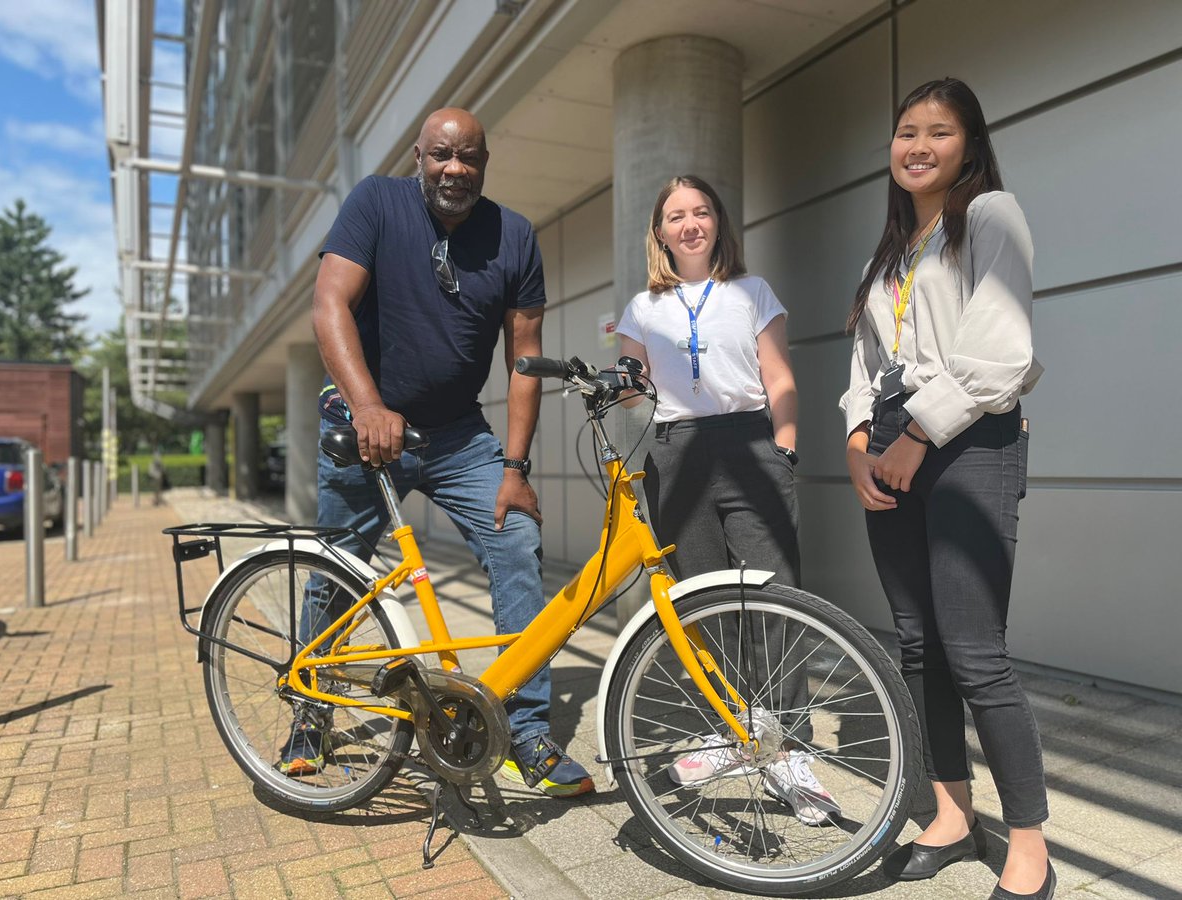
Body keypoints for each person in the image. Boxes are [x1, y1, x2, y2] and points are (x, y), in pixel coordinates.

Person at [295, 107, 592, 798]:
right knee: (336, 569)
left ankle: (524, 730)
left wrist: (515, 468)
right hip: (368, 426)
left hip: (459, 436)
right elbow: (328, 305)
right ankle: (310, 714)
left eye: (469, 158)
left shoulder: (514, 235)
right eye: (440, 156)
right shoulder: (375, 202)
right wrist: (369, 405)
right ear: (419, 156)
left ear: (485, 163)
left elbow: (526, 358)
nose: (454, 169)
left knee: (516, 539)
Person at [840, 78, 1051, 899]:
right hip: (893, 443)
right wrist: (860, 438)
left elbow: (1000, 353)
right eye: (904, 132)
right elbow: (861, 366)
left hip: (966, 441)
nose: (917, 145)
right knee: (919, 645)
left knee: (975, 654)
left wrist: (918, 435)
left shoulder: (991, 215)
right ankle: (952, 815)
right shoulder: (888, 253)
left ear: (969, 143)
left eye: (937, 131)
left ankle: (1028, 845)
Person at [615, 174, 840, 827]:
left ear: (717, 222)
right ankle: (737, 730)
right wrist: (628, 384)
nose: (690, 224)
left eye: (701, 212)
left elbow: (780, 378)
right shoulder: (641, 308)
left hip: (751, 444)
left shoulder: (751, 292)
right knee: (706, 605)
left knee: (774, 598)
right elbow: (634, 393)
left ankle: (790, 749)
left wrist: (787, 448)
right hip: (676, 450)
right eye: (676, 215)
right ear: (659, 231)